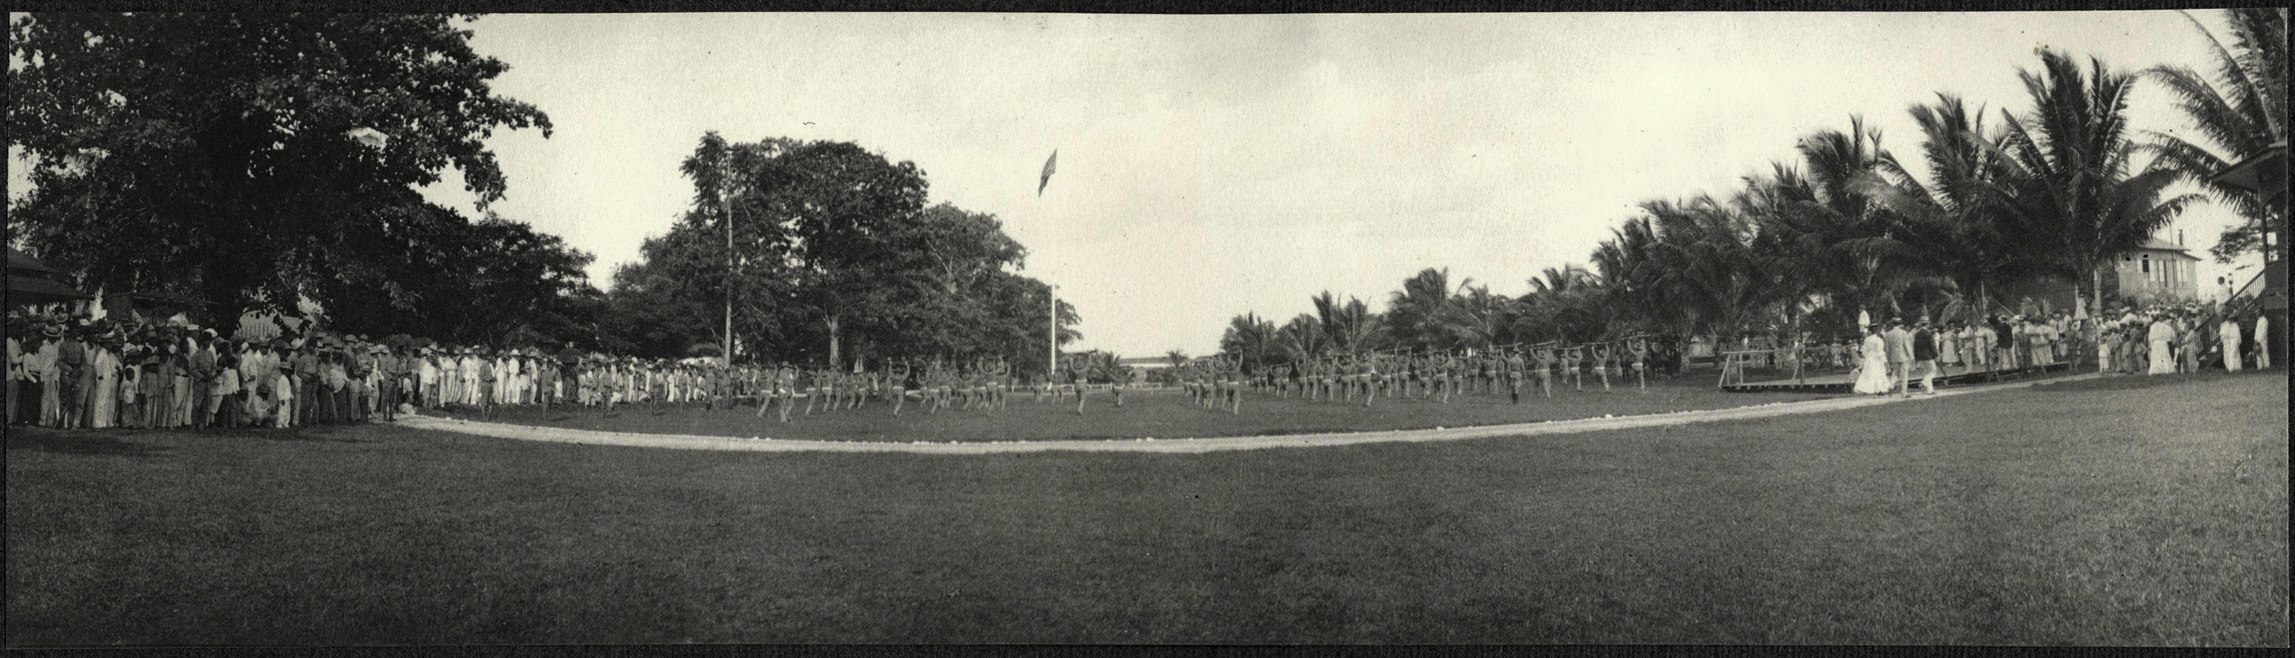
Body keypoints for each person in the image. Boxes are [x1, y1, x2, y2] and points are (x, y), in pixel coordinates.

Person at [1852, 324, 1891, 395]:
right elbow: (1880, 351)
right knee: (1878, 373)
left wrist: (1867, 356)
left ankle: (1867, 388)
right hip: (1876, 357)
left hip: (1869, 357)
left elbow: (1864, 350)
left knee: (1868, 373)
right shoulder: (1879, 340)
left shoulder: (1867, 339)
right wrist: (1885, 361)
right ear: (1876, 331)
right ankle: (1879, 389)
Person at [1883, 319, 1913, 396]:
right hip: (1903, 355)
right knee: (1904, 374)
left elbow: (1887, 348)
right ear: (1900, 324)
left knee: (1895, 373)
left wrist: (1888, 357)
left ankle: (1890, 385)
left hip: (1894, 356)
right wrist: (1911, 356)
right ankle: (1904, 392)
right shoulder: (1903, 333)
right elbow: (1906, 345)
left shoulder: (1888, 334)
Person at [1909, 321, 1938, 396]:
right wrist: (1935, 354)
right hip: (1928, 355)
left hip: (1920, 356)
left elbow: (1915, 346)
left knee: (1926, 372)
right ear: (1927, 324)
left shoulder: (1917, 334)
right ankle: (1924, 382)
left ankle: (1930, 390)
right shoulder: (1928, 334)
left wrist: (1916, 356)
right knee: (1933, 372)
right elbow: (1932, 345)